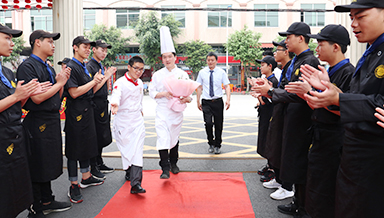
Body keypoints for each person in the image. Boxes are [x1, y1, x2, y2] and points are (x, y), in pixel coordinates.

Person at [301, 1, 384, 217]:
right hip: (353, 155)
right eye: (351, 18)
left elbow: (377, 103)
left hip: (371, 160)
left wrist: (338, 98)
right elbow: (359, 101)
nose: (354, 24)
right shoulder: (372, 51)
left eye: (361, 16)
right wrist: (332, 95)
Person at [285, 24, 354, 218]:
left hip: (334, 140)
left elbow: (348, 109)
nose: (317, 49)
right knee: (316, 184)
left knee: (326, 188)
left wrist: (311, 94)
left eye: (321, 44)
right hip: (320, 136)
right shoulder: (328, 72)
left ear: (336, 47)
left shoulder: (348, 73)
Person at [253, 22, 319, 216]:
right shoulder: (298, 61)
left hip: (301, 121)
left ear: (301, 38)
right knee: (291, 159)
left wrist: (271, 91)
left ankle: (303, 206)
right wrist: (269, 91)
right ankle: (298, 202)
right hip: (290, 117)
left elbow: (298, 93)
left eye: (289, 37)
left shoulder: (309, 62)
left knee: (298, 162)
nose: (286, 41)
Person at [17, 30, 72, 218]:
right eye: (49, 41)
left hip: (51, 119)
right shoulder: (28, 66)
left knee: (48, 161)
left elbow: (56, 94)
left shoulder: (47, 66)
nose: (53, 44)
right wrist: (59, 83)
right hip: (37, 121)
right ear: (37, 43)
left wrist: (61, 82)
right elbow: (38, 98)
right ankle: (36, 207)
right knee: (37, 162)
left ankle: (48, 199)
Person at [0, 24, 44, 218]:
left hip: (14, 136)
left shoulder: (7, 72)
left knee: (15, 186)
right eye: (7, 38)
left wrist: (26, 94)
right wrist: (17, 96)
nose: (12, 44)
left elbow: (15, 104)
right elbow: (12, 99)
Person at [64, 36, 105, 204]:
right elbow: (73, 92)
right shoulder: (71, 66)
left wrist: (100, 79)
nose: (88, 50)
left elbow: (91, 89)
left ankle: (86, 176)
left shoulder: (83, 66)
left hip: (87, 110)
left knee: (87, 144)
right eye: (84, 47)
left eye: (89, 47)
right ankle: (74, 184)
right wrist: (93, 81)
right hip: (76, 112)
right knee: (74, 148)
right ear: (75, 47)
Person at [149, 26, 192, 179]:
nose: (167, 60)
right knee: (162, 138)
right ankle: (165, 168)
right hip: (162, 111)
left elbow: (189, 94)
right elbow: (152, 92)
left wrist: (186, 98)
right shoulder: (157, 75)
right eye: (164, 57)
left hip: (176, 112)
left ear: (175, 58)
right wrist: (164, 94)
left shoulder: (182, 74)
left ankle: (174, 163)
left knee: (174, 138)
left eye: (169, 57)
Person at [258, 40, 295, 200]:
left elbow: (288, 94)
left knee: (286, 150)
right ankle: (280, 180)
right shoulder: (287, 68)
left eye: (278, 50)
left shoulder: (300, 65)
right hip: (281, 114)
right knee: (278, 147)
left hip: (290, 115)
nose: (275, 53)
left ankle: (287, 186)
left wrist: (268, 92)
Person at [110, 55, 146, 194]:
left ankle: (136, 183)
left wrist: (141, 110)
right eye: (136, 68)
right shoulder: (120, 82)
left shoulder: (141, 83)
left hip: (137, 121)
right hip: (123, 121)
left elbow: (140, 99)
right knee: (126, 149)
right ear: (129, 67)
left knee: (137, 150)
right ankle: (129, 171)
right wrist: (115, 104)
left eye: (141, 69)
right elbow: (116, 94)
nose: (138, 72)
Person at [86, 39, 116, 180]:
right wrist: (107, 76)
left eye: (105, 50)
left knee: (102, 134)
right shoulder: (90, 66)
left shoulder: (99, 65)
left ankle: (99, 161)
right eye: (101, 49)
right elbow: (92, 89)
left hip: (103, 103)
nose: (104, 52)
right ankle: (94, 166)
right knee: (95, 136)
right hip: (95, 104)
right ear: (94, 50)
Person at [196, 52, 231, 154]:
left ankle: (217, 145)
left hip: (218, 101)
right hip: (206, 101)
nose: (210, 62)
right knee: (208, 123)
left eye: (212, 60)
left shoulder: (221, 72)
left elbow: (227, 86)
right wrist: (198, 101)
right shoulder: (202, 72)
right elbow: (199, 87)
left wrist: (228, 99)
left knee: (218, 124)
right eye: (208, 60)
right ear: (206, 61)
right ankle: (211, 143)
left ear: (216, 61)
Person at [252, 55, 278, 181]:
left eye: (263, 65)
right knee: (265, 140)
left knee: (268, 141)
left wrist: (258, 95)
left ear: (270, 66)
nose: (260, 67)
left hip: (270, 115)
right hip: (265, 114)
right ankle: (269, 165)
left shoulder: (272, 81)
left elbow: (265, 101)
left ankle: (272, 169)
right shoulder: (267, 79)